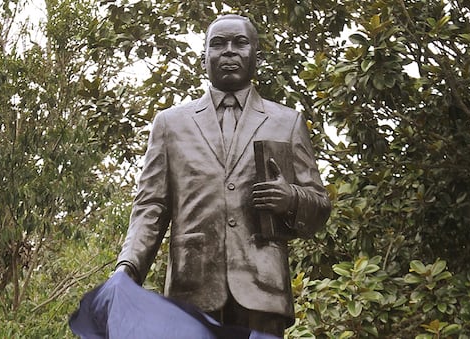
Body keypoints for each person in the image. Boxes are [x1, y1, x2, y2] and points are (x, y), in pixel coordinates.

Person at [115, 14, 331, 337]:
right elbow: (150, 208)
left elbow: (320, 204)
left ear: (256, 54)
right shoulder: (170, 124)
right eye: (218, 44)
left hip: (263, 292)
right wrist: (127, 268)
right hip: (192, 291)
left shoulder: (287, 122)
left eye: (240, 43)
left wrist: (291, 199)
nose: (229, 51)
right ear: (204, 57)